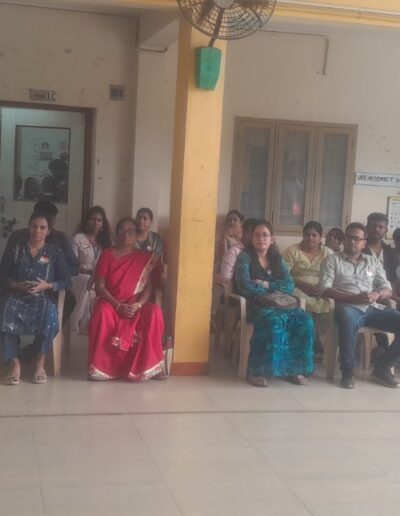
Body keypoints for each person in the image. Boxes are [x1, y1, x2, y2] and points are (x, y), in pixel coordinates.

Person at [319, 222, 400, 389]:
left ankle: (383, 368)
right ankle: (348, 371)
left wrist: (377, 294)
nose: (352, 242)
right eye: (349, 238)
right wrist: (353, 298)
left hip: (372, 308)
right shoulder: (332, 260)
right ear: (344, 240)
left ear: (364, 242)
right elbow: (324, 289)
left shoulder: (373, 262)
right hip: (346, 306)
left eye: (357, 239)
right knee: (348, 319)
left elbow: (387, 289)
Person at [234, 220, 314, 387]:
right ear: (251, 238)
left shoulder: (277, 259)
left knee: (305, 321)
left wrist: (265, 284)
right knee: (274, 321)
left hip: (281, 303)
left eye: (265, 235)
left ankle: (294, 370)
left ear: (272, 239)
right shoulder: (245, 258)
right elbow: (244, 285)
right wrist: (266, 293)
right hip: (257, 304)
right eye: (257, 235)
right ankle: (257, 371)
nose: (261, 238)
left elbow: (289, 285)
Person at [88, 217, 165, 381]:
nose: (126, 234)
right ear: (116, 234)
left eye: (130, 231)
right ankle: (102, 368)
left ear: (136, 235)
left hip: (136, 304)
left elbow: (149, 286)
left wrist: (138, 305)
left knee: (155, 313)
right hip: (111, 303)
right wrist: (117, 306)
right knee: (102, 313)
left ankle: (151, 366)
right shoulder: (107, 255)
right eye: (122, 230)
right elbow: (100, 286)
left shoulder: (144, 258)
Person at [0, 213, 70, 384]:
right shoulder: (16, 249)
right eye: (34, 226)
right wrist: (16, 285)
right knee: (5, 311)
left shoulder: (55, 253)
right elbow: (2, 276)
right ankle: (15, 363)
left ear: (48, 231)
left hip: (42, 298)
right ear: (29, 227)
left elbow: (66, 280)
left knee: (50, 315)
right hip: (16, 295)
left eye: (42, 227)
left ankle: (40, 364)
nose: (37, 230)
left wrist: (48, 285)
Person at [283, 221, 333, 343]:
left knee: (328, 303)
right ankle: (304, 339)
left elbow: (333, 274)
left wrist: (321, 287)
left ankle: (318, 339)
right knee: (301, 301)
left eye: (314, 235)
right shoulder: (292, 251)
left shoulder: (328, 253)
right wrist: (303, 285)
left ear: (320, 237)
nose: (310, 238)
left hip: (322, 288)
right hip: (297, 287)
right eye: (307, 235)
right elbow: (284, 274)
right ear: (303, 235)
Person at [70, 206, 113, 334]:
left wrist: (96, 275)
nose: (96, 223)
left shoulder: (107, 241)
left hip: (101, 278)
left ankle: (86, 324)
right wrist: (89, 272)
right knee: (87, 283)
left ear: (103, 223)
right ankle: (78, 323)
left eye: (99, 220)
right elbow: (72, 262)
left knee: (95, 284)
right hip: (81, 276)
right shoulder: (78, 238)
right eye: (92, 219)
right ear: (87, 221)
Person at [218, 218, 258, 283]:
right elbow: (225, 278)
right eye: (252, 233)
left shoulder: (259, 251)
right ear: (244, 232)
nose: (256, 237)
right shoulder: (234, 251)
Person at [363, 213, 399, 285]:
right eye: (373, 226)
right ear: (366, 228)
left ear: (386, 231)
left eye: (381, 227)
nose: (376, 229)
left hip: (389, 290)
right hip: (364, 289)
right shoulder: (359, 250)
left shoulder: (392, 253)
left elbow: (395, 278)